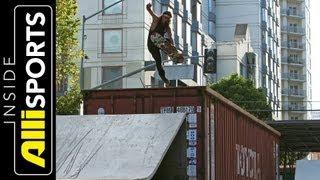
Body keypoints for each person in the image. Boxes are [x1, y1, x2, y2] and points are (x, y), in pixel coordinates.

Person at [146, 3, 173, 86]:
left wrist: (172, 46)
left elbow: (170, 36)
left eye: (167, 19)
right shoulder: (156, 19)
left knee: (159, 61)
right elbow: (150, 12)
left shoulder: (167, 27)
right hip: (151, 44)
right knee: (158, 60)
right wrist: (148, 7)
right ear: (162, 16)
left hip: (159, 44)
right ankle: (164, 78)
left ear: (169, 20)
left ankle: (165, 79)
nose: (165, 20)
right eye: (164, 17)